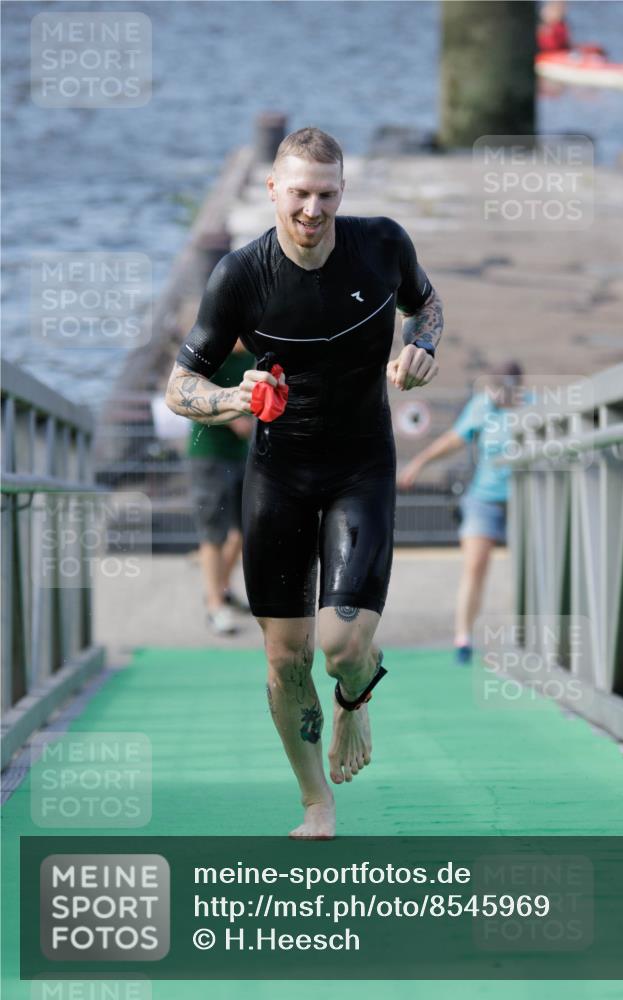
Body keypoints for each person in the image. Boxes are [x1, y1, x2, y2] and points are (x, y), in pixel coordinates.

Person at [165, 126, 443, 839]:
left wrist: (421, 347)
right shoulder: (240, 274)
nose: (312, 210)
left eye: (324, 194)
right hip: (278, 474)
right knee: (285, 657)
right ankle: (315, 800)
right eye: (298, 194)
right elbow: (179, 385)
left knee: (341, 645)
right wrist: (232, 396)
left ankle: (355, 694)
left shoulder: (381, 244)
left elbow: (427, 307)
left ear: (340, 191)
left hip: (361, 466)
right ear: (273, 192)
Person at [398, 361, 523, 665]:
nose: (497, 393)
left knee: (528, 572)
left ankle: (525, 641)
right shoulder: (482, 407)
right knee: (475, 567)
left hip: (524, 501)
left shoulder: (531, 409)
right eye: (493, 387)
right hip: (484, 499)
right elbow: (454, 439)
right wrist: (419, 463)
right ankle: (464, 638)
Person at [186, 338, 254, 635]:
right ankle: (215, 606)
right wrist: (231, 418)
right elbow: (190, 392)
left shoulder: (253, 352)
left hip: (242, 455)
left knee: (243, 530)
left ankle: (221, 590)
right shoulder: (213, 349)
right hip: (209, 455)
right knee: (213, 532)